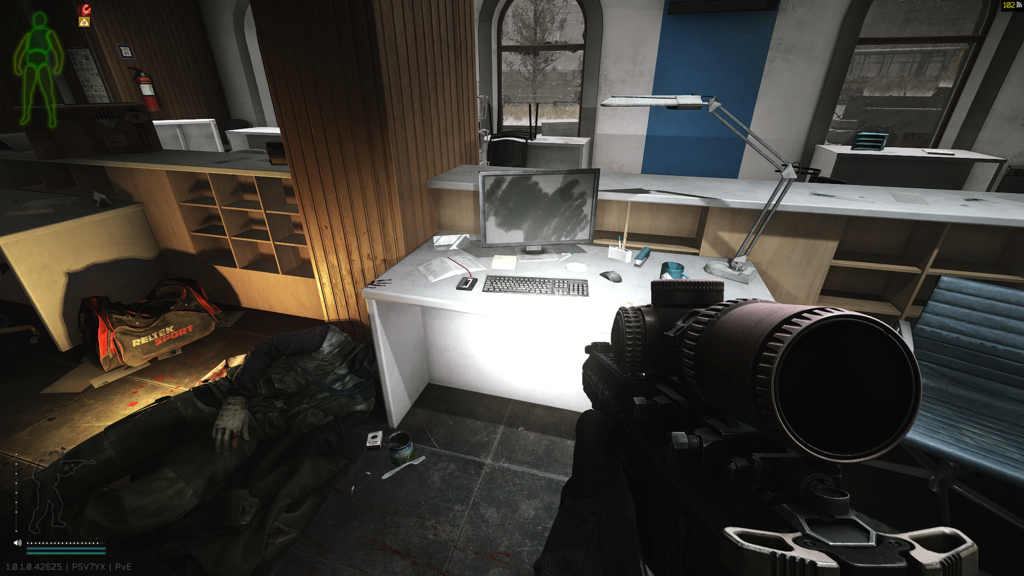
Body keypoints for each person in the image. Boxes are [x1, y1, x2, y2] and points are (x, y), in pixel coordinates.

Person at [0, 324, 377, 541]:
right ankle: (21, 504)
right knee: (111, 449)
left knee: (169, 497)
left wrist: (274, 472)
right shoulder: (328, 338)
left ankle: (61, 535)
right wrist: (236, 401)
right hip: (218, 397)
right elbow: (265, 351)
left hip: (247, 435)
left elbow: (316, 443)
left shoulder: (364, 402)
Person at [13, 12, 65, 129]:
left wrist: (58, 65)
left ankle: (52, 116)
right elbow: (20, 51)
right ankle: (26, 115)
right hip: (31, 64)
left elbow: (57, 50)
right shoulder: (30, 34)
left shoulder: (48, 33)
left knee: (47, 92)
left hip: (42, 65)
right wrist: (17, 66)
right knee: (28, 92)